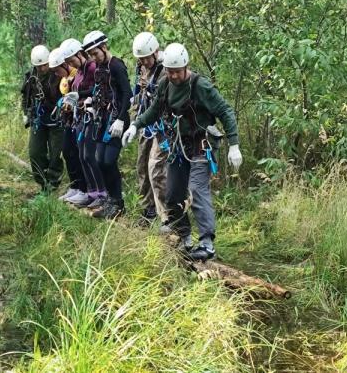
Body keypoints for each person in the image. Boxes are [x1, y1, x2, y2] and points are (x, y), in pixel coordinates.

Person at [122, 43, 243, 261]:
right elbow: (155, 110)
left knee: (196, 190)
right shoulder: (165, 84)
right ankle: (185, 237)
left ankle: (207, 243)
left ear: (186, 66)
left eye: (177, 71)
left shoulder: (200, 86)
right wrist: (135, 125)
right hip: (178, 146)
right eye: (170, 71)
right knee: (172, 195)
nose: (174, 75)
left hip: (201, 145)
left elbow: (225, 110)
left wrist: (234, 144)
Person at [82, 30, 132, 219]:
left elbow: (127, 93)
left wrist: (121, 118)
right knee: (99, 159)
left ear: (104, 47)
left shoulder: (116, 66)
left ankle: (118, 203)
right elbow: (98, 91)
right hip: (103, 118)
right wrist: (87, 101)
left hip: (117, 119)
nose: (93, 58)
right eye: (91, 55)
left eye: (95, 53)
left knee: (109, 160)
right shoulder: (99, 68)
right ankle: (111, 200)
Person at [60, 38, 107, 209]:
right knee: (81, 155)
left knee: (89, 156)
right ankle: (91, 192)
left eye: (72, 60)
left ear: (79, 54)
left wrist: (79, 96)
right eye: (68, 62)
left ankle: (101, 192)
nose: (71, 64)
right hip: (80, 117)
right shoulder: (80, 72)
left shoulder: (92, 68)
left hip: (92, 116)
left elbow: (98, 90)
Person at [131, 32, 167, 226]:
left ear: (155, 52)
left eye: (146, 57)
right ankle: (148, 209)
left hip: (162, 125)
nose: (144, 61)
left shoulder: (165, 70)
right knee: (142, 165)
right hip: (145, 121)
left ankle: (166, 215)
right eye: (141, 58)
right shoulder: (141, 68)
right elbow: (139, 94)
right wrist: (134, 120)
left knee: (157, 169)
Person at [21, 44, 64, 192]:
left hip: (56, 121)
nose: (42, 69)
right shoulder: (31, 77)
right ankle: (42, 181)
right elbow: (25, 96)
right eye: (39, 66)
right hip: (38, 120)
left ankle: (53, 182)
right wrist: (25, 113)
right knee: (35, 152)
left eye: (44, 65)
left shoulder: (57, 75)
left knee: (55, 154)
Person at [48, 47, 89, 204]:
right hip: (69, 120)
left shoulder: (77, 75)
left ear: (65, 65)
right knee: (67, 151)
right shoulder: (66, 79)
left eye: (57, 70)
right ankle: (75, 185)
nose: (57, 75)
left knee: (78, 153)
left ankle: (84, 188)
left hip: (79, 119)